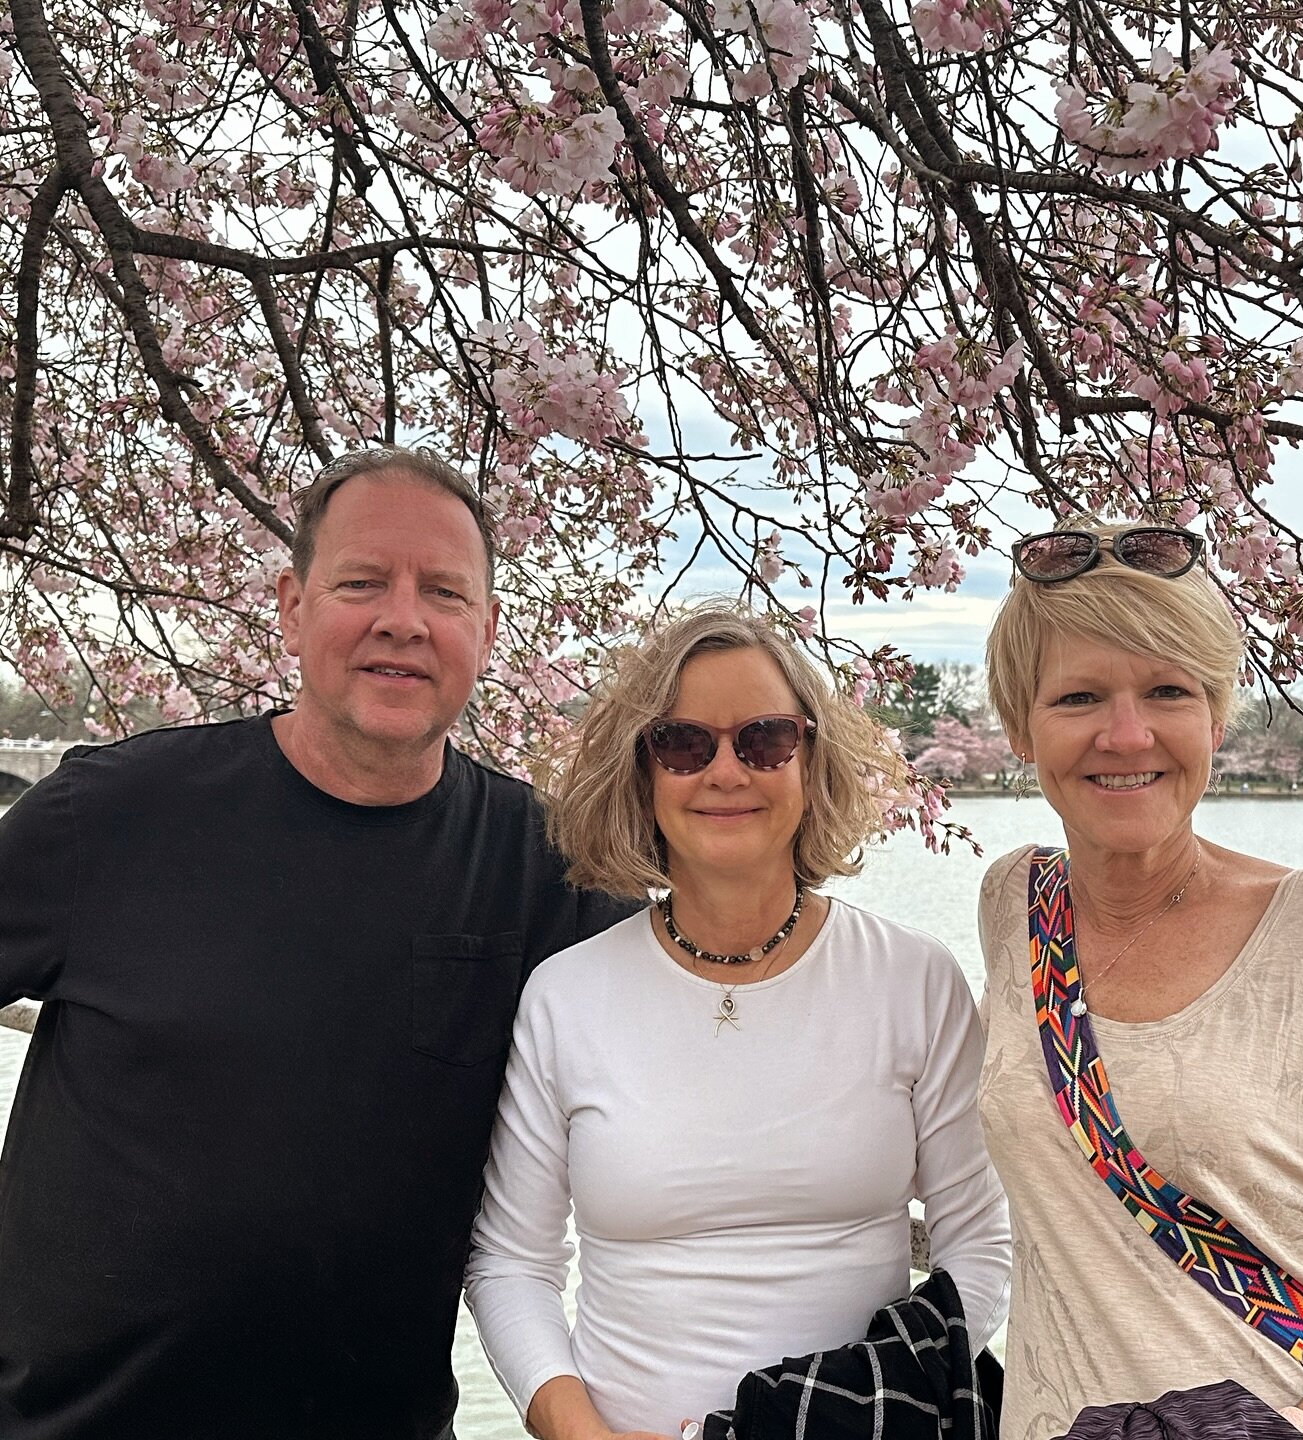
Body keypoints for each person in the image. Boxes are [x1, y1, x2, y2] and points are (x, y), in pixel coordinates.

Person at [0, 446, 634, 1440]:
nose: (403, 619)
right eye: (362, 582)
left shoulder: (544, 868)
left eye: (444, 592)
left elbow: (719, 1003)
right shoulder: (110, 813)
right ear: (293, 608)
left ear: (487, 629)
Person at [465, 604, 1011, 1440]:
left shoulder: (914, 980)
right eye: (683, 744)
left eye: (764, 740)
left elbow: (980, 1244)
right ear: (641, 771)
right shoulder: (565, 997)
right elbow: (512, 1262)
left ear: (810, 762)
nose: (726, 772)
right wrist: (583, 1435)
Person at [977, 522, 1303, 1440]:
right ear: (1020, 725)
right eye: (1078, 696)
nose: (1126, 733)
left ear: (1217, 717)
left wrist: (1293, 1436)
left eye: (1167, 691)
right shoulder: (1015, 902)